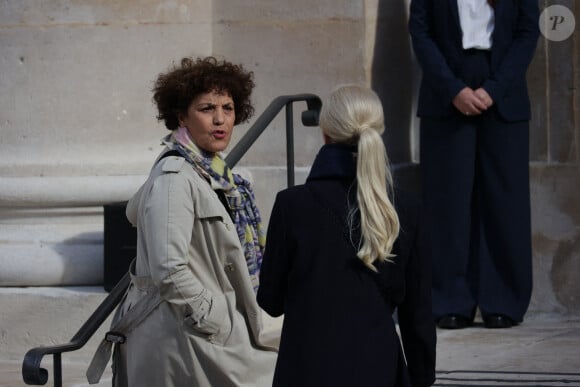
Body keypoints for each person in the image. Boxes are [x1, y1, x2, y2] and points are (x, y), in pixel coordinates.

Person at [88, 56, 277, 386]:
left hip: (203, 335)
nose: (220, 120)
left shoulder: (217, 176)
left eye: (228, 108)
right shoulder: (175, 178)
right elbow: (168, 268)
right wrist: (216, 318)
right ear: (181, 116)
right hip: (184, 338)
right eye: (207, 109)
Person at [257, 84, 436, 387]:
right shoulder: (406, 208)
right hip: (378, 366)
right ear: (378, 131)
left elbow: (271, 301)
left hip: (306, 368)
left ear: (325, 134)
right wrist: (421, 377)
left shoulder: (292, 205)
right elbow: (417, 313)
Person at [408, 0, 539, 329]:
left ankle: (504, 300)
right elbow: (420, 33)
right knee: (447, 204)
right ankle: (449, 300)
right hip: (446, 93)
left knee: (505, 202)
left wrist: (494, 89)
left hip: (503, 94)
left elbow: (527, 33)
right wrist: (454, 89)